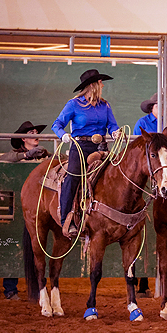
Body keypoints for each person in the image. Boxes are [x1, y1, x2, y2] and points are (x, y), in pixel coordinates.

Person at [52, 69, 121, 238]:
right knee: (74, 176)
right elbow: (57, 124)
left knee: (115, 175)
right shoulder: (74, 104)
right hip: (80, 145)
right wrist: (64, 135)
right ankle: (67, 219)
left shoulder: (105, 105)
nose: (102, 85)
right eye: (100, 82)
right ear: (93, 85)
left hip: (100, 147)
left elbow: (112, 124)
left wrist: (114, 132)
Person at [133, 93, 167, 298]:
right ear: (151, 106)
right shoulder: (142, 123)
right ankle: (141, 279)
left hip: (164, 168)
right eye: (158, 105)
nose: (162, 108)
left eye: (164, 105)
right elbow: (136, 147)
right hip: (148, 170)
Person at [0, 121, 50, 300]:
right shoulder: (16, 156)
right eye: (32, 132)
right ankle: (11, 287)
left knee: (37, 245)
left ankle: (37, 286)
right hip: (18, 207)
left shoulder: (42, 157)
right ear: (23, 138)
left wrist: (45, 156)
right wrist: (25, 156)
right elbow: (3, 160)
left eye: (36, 131)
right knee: (15, 244)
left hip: (39, 207)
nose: (36, 134)